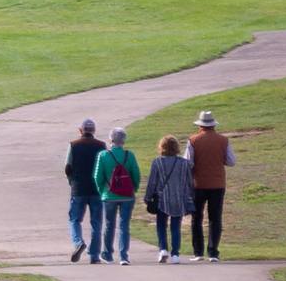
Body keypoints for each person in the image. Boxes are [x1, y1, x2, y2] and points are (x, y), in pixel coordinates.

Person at [188, 109, 236, 262]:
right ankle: (213, 252)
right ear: (213, 125)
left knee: (196, 218)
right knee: (215, 218)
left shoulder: (193, 140)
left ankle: (198, 252)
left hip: (198, 184)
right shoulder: (223, 140)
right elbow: (231, 161)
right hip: (217, 184)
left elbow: (188, 162)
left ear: (200, 126)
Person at [94, 127, 142, 265]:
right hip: (127, 196)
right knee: (124, 225)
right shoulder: (129, 155)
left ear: (111, 139)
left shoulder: (103, 155)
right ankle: (123, 256)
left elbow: (98, 176)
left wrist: (101, 191)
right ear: (124, 140)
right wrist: (134, 189)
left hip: (109, 195)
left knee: (109, 224)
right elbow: (136, 175)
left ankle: (108, 254)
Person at [146, 134, 195, 263]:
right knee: (175, 227)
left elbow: (152, 182)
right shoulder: (184, 163)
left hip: (162, 199)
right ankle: (175, 254)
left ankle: (163, 249)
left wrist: (147, 197)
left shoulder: (157, 162)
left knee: (161, 225)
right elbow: (189, 183)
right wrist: (190, 198)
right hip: (179, 199)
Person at [64, 118, 105, 263]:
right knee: (96, 223)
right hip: (97, 190)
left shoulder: (73, 145)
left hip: (78, 188)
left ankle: (78, 243)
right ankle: (94, 256)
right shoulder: (101, 145)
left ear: (80, 130)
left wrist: (71, 182)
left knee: (74, 219)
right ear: (93, 131)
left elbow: (68, 167)